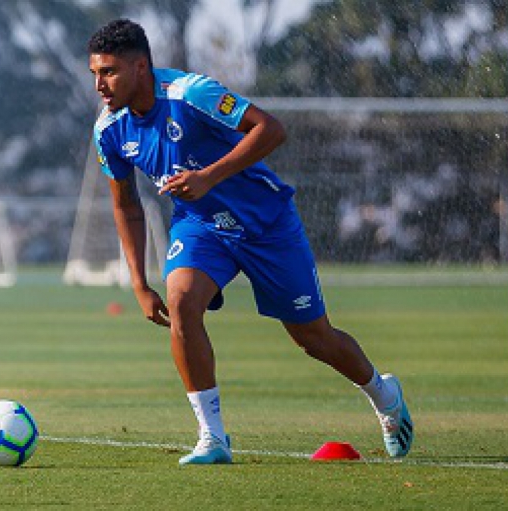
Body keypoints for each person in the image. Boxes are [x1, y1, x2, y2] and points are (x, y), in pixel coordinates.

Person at [86, 18, 413, 465]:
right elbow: (126, 206)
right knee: (181, 301)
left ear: (140, 67)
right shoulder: (109, 130)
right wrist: (140, 283)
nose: (100, 84)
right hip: (201, 227)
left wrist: (208, 177)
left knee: (314, 339)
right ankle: (213, 437)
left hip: (267, 224)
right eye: (95, 74)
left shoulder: (191, 93)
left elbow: (271, 129)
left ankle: (384, 395)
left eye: (109, 72)